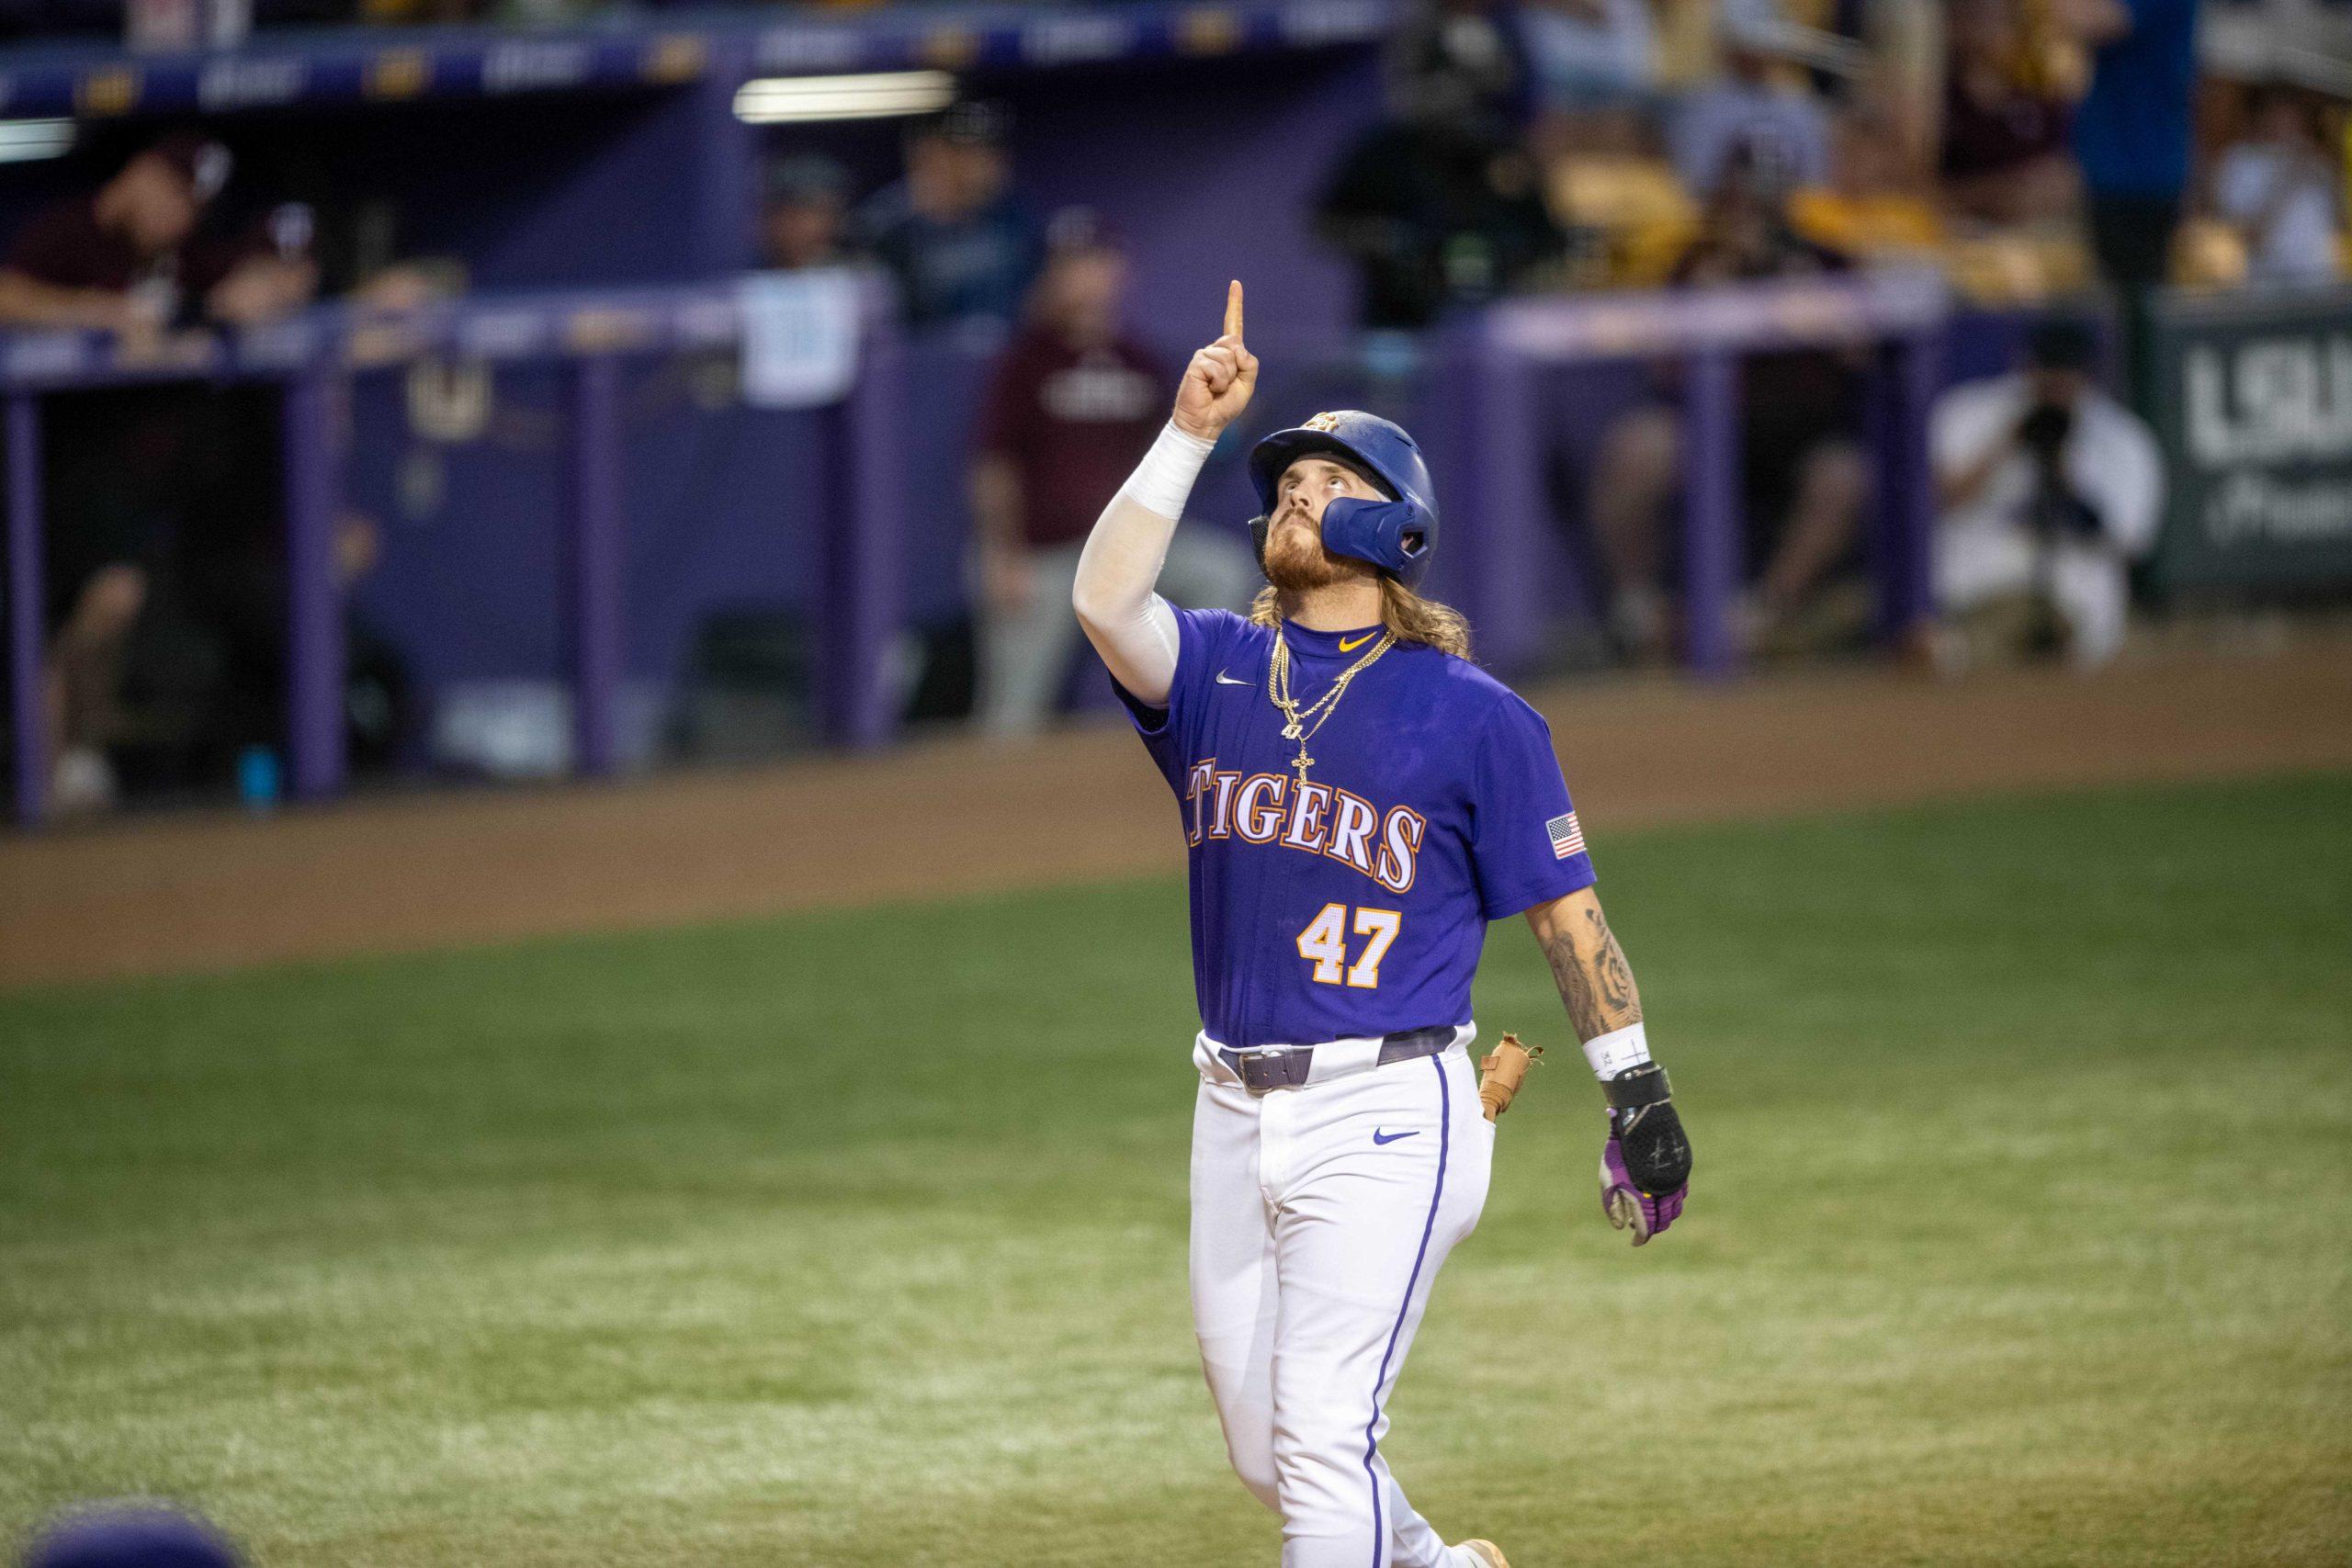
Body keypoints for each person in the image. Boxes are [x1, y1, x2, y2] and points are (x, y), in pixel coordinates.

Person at [1071, 282, 1693, 1568]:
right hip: (1229, 1104)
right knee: (1269, 1447)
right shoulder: (1215, 673)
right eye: (1286, 480)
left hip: (1392, 1111)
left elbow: (1570, 919)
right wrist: (1189, 430)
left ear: (1392, 526)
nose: (1293, 488)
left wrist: (1640, 1095)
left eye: (1321, 476)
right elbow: (1100, 600)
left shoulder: (1476, 716)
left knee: (1316, 1437)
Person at [967, 220, 1253, 736]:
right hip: (1043, 554)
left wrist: (1224, 423)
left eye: (1098, 263)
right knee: (1010, 719)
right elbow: (995, 466)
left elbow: (1171, 454)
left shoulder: (1139, 362)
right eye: (1073, 265)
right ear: (1051, 276)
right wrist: (1001, 554)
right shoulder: (1026, 360)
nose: (1087, 278)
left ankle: (1202, 721)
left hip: (1129, 550)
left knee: (1222, 571)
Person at [1586, 155, 1870, 660]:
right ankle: (1638, 613)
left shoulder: (1824, 263)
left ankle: (1764, 616)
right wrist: (1711, 292)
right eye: (1744, 198)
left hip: (1798, 434)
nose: (1754, 214)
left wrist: (1809, 300)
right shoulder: (1699, 261)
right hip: (1705, 427)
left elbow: (1863, 355)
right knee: (1637, 449)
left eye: (1765, 200)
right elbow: (1662, 365)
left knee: (1845, 476)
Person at [1923, 314, 2163, 669]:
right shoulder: (1970, 412)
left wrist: (2064, 476)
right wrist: (2005, 444)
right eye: (2046, 371)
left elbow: (2128, 540)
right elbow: (1930, 505)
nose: (2055, 387)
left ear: (2089, 375)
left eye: (2067, 375)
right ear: (2025, 365)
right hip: (1971, 597)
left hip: (2071, 610)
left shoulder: (2121, 439)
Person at [856, 101, 1044, 334]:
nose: (981, 164)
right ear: (930, 153)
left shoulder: (1015, 221)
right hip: (918, 365)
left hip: (1002, 364)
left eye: (989, 151)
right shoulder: (884, 229)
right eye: (966, 152)